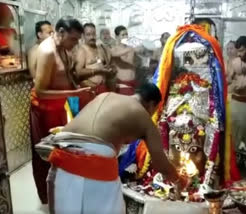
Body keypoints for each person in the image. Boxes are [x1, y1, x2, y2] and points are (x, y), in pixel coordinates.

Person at [45, 83, 187, 213]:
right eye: (155, 110)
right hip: (94, 174)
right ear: (151, 105)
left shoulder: (105, 95)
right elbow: (161, 165)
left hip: (60, 167)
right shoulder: (144, 119)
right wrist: (179, 180)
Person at [30, 16, 91, 204]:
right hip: (45, 109)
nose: (75, 44)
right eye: (73, 39)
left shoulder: (63, 47)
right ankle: (51, 198)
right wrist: (75, 92)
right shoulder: (47, 51)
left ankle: (64, 193)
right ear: (61, 32)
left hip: (61, 106)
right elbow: (41, 91)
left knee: (65, 152)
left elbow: (67, 76)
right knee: (49, 156)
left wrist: (79, 92)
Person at [75, 23, 117, 108]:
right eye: (88, 34)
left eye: (93, 34)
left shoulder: (100, 49)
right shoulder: (82, 50)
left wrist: (111, 69)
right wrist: (98, 71)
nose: (92, 37)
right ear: (83, 36)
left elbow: (107, 65)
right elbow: (78, 72)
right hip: (89, 91)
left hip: (103, 90)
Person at [111, 25, 136, 95]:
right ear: (116, 37)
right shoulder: (114, 49)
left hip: (133, 82)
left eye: (126, 34)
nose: (126, 37)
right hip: (121, 84)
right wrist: (129, 49)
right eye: (123, 35)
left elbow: (131, 60)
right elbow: (113, 54)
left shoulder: (131, 48)